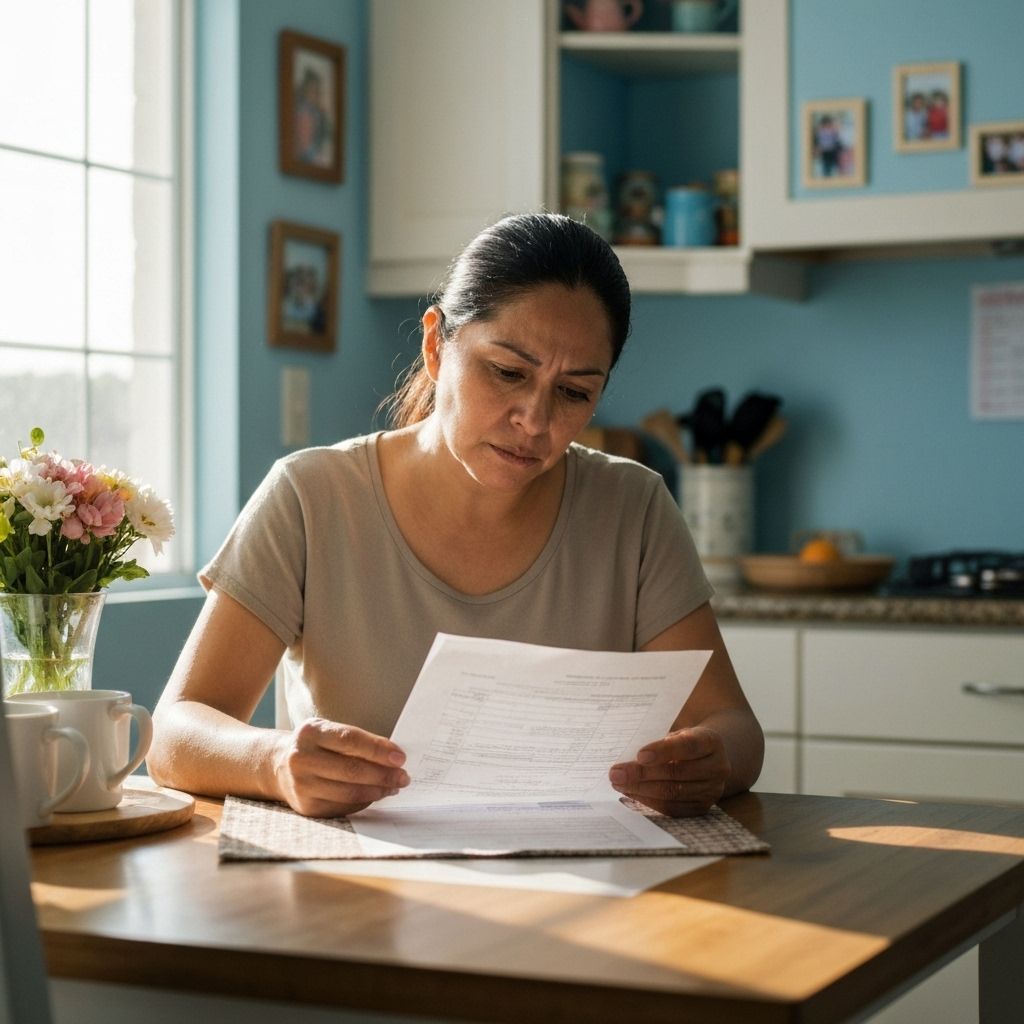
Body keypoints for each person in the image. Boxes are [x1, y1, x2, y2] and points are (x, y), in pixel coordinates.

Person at [148, 213, 764, 820]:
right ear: (435, 344)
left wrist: (709, 759)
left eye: (574, 391)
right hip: (356, 897)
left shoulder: (634, 508)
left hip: (581, 888)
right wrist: (275, 761)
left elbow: (734, 727)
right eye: (507, 372)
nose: (535, 419)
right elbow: (176, 732)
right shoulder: (311, 497)